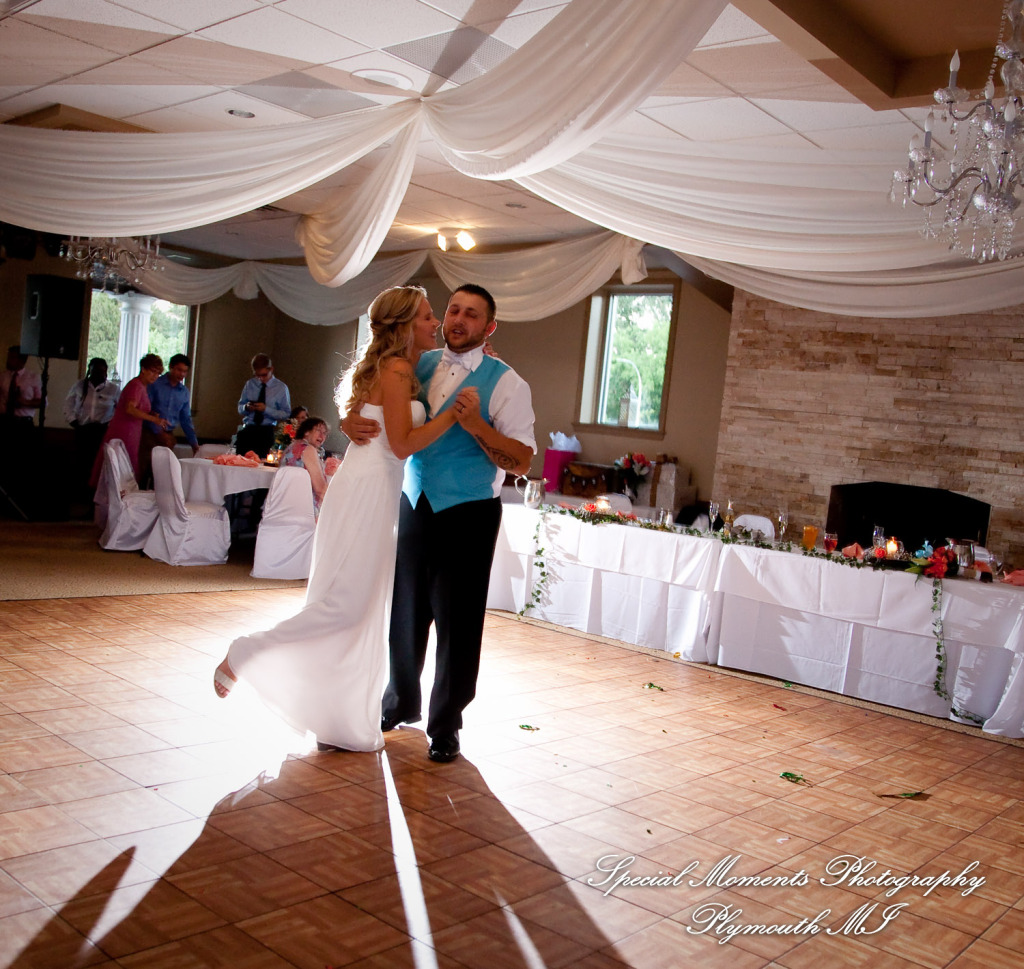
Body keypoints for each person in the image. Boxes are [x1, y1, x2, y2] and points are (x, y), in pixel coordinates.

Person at [212, 286, 462, 753]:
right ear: (406, 324)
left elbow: (377, 423)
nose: (436, 324)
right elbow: (404, 444)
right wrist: (452, 416)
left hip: (374, 489)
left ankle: (339, 717)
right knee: (345, 606)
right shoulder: (397, 367)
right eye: (429, 316)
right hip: (366, 493)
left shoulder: (402, 368)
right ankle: (245, 652)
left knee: (362, 609)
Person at [342, 283, 535, 763]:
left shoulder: (508, 382)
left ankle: (445, 723)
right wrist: (349, 419)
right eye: (452, 309)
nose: (457, 320)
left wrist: (477, 427)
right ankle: (398, 700)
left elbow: (523, 462)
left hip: (469, 509)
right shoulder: (417, 361)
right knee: (404, 612)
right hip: (412, 501)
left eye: (472, 314)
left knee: (458, 622)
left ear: (489, 327)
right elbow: (373, 394)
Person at [90, 353, 169, 486]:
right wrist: (153, 419)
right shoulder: (136, 385)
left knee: (126, 463)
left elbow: (137, 407)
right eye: (153, 371)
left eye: (158, 373)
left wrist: (151, 414)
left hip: (132, 430)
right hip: (125, 430)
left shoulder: (142, 386)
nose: (155, 376)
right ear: (143, 369)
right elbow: (130, 409)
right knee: (122, 464)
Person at [139, 353, 198, 483]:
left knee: (160, 475)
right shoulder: (155, 384)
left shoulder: (184, 392)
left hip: (168, 436)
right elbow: (147, 409)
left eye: (185, 371)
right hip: (148, 433)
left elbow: (185, 419)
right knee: (142, 471)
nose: (181, 374)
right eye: (178, 369)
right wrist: (158, 431)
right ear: (171, 367)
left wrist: (194, 444)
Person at [63, 357, 120, 490]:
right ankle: (81, 490)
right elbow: (68, 404)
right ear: (90, 370)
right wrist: (73, 421)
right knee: (82, 461)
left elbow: (120, 410)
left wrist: (111, 425)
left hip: (102, 430)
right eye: (96, 371)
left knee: (99, 463)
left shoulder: (113, 389)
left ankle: (95, 490)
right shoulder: (79, 386)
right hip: (83, 429)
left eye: (102, 371)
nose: (99, 374)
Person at [235, 353, 290, 458]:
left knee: (261, 463)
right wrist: (246, 407)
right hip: (248, 430)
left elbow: (286, 413)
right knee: (240, 462)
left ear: (271, 369)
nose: (261, 379)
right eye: (257, 375)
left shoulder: (281, 388)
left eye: (264, 375)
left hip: (265, 432)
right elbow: (240, 407)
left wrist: (266, 409)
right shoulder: (250, 384)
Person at [281, 415, 330, 515]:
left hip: (284, 506)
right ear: (306, 431)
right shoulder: (308, 449)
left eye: (325, 433)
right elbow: (320, 490)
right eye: (318, 431)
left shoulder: (290, 448)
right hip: (306, 510)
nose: (322, 436)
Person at [0, 345, 42, 426]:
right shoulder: (2, 376)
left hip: (23, 422)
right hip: (3, 420)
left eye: (12, 358)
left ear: (21, 361)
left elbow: (42, 402)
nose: (8, 360)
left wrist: (24, 402)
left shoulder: (33, 378)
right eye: (8, 357)